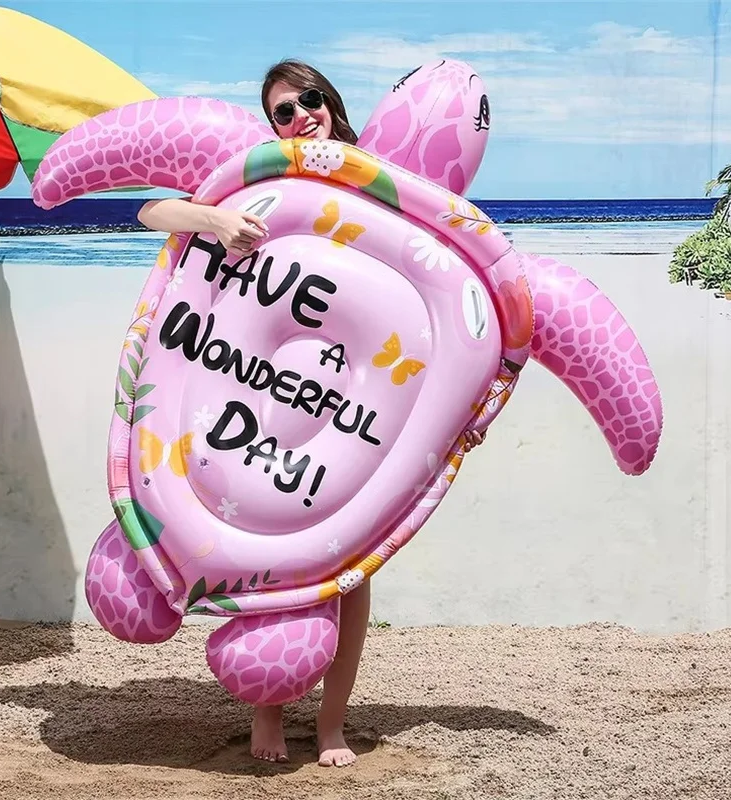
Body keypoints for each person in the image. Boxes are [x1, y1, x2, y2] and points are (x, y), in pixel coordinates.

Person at [137, 59, 487, 768]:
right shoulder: (263, 180)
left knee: (350, 581)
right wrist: (216, 220)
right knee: (267, 552)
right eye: (283, 113)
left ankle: (332, 723)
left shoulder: (386, 185)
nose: (301, 118)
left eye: (310, 101)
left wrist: (459, 406)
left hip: (358, 393)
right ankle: (268, 718)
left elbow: (453, 273)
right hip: (271, 383)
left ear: (333, 101)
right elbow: (153, 213)